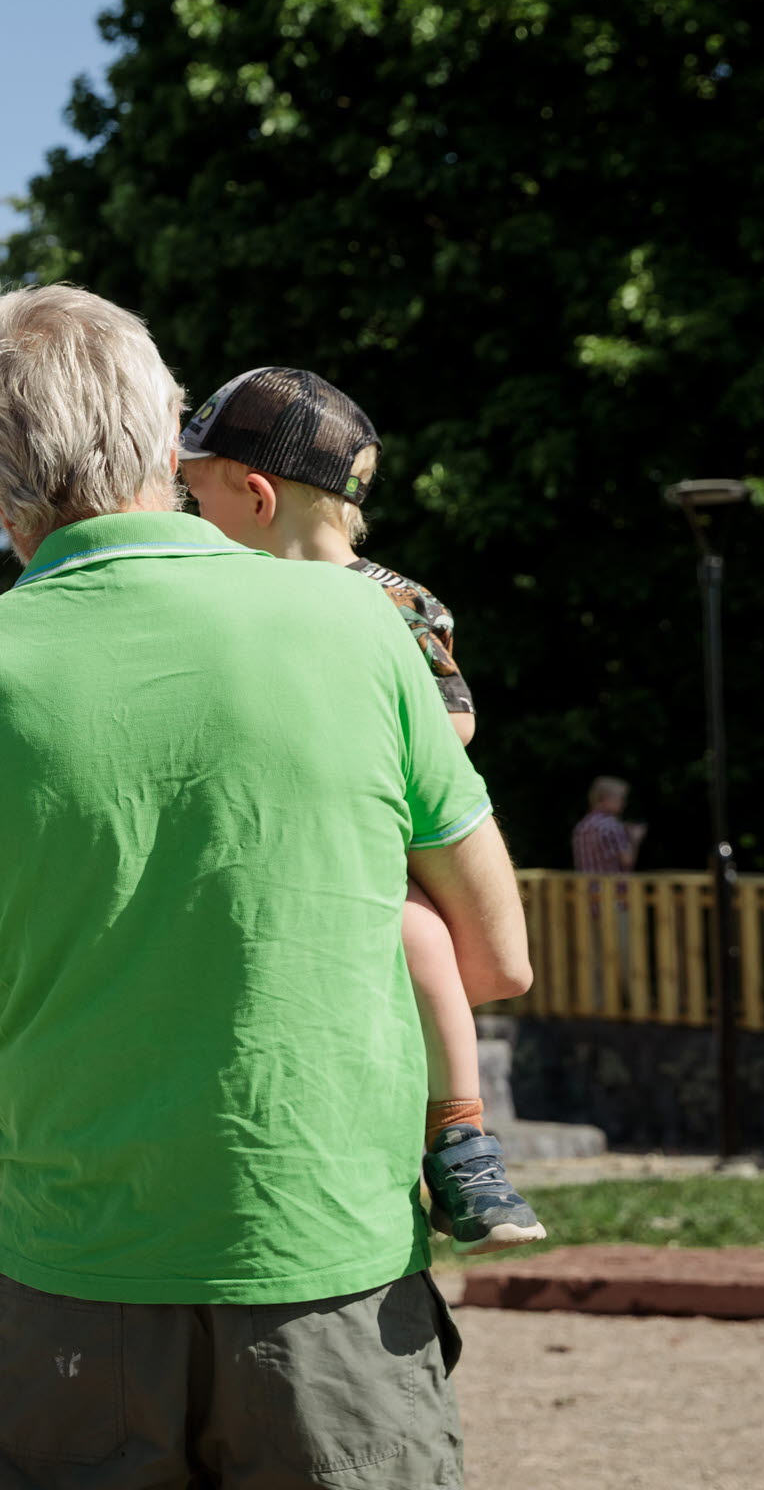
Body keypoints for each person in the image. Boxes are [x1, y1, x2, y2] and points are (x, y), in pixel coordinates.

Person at [0, 286, 531, 1490]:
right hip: (326, 1266)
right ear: (167, 433)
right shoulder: (361, 626)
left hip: (68, 1283)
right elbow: (497, 959)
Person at [172, 367, 544, 1255]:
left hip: (367, 832)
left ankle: (460, 1141)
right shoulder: (223, 601)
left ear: (256, 497)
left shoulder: (388, 601)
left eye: (193, 494)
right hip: (265, 830)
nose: (184, 515)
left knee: (416, 933)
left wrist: (362, 762)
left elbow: (453, 715)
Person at [572, 777, 644, 874]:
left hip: (585, 887)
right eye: (620, 799)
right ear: (606, 798)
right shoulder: (612, 826)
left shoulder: (581, 826)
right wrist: (633, 839)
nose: (623, 804)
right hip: (611, 887)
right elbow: (627, 861)